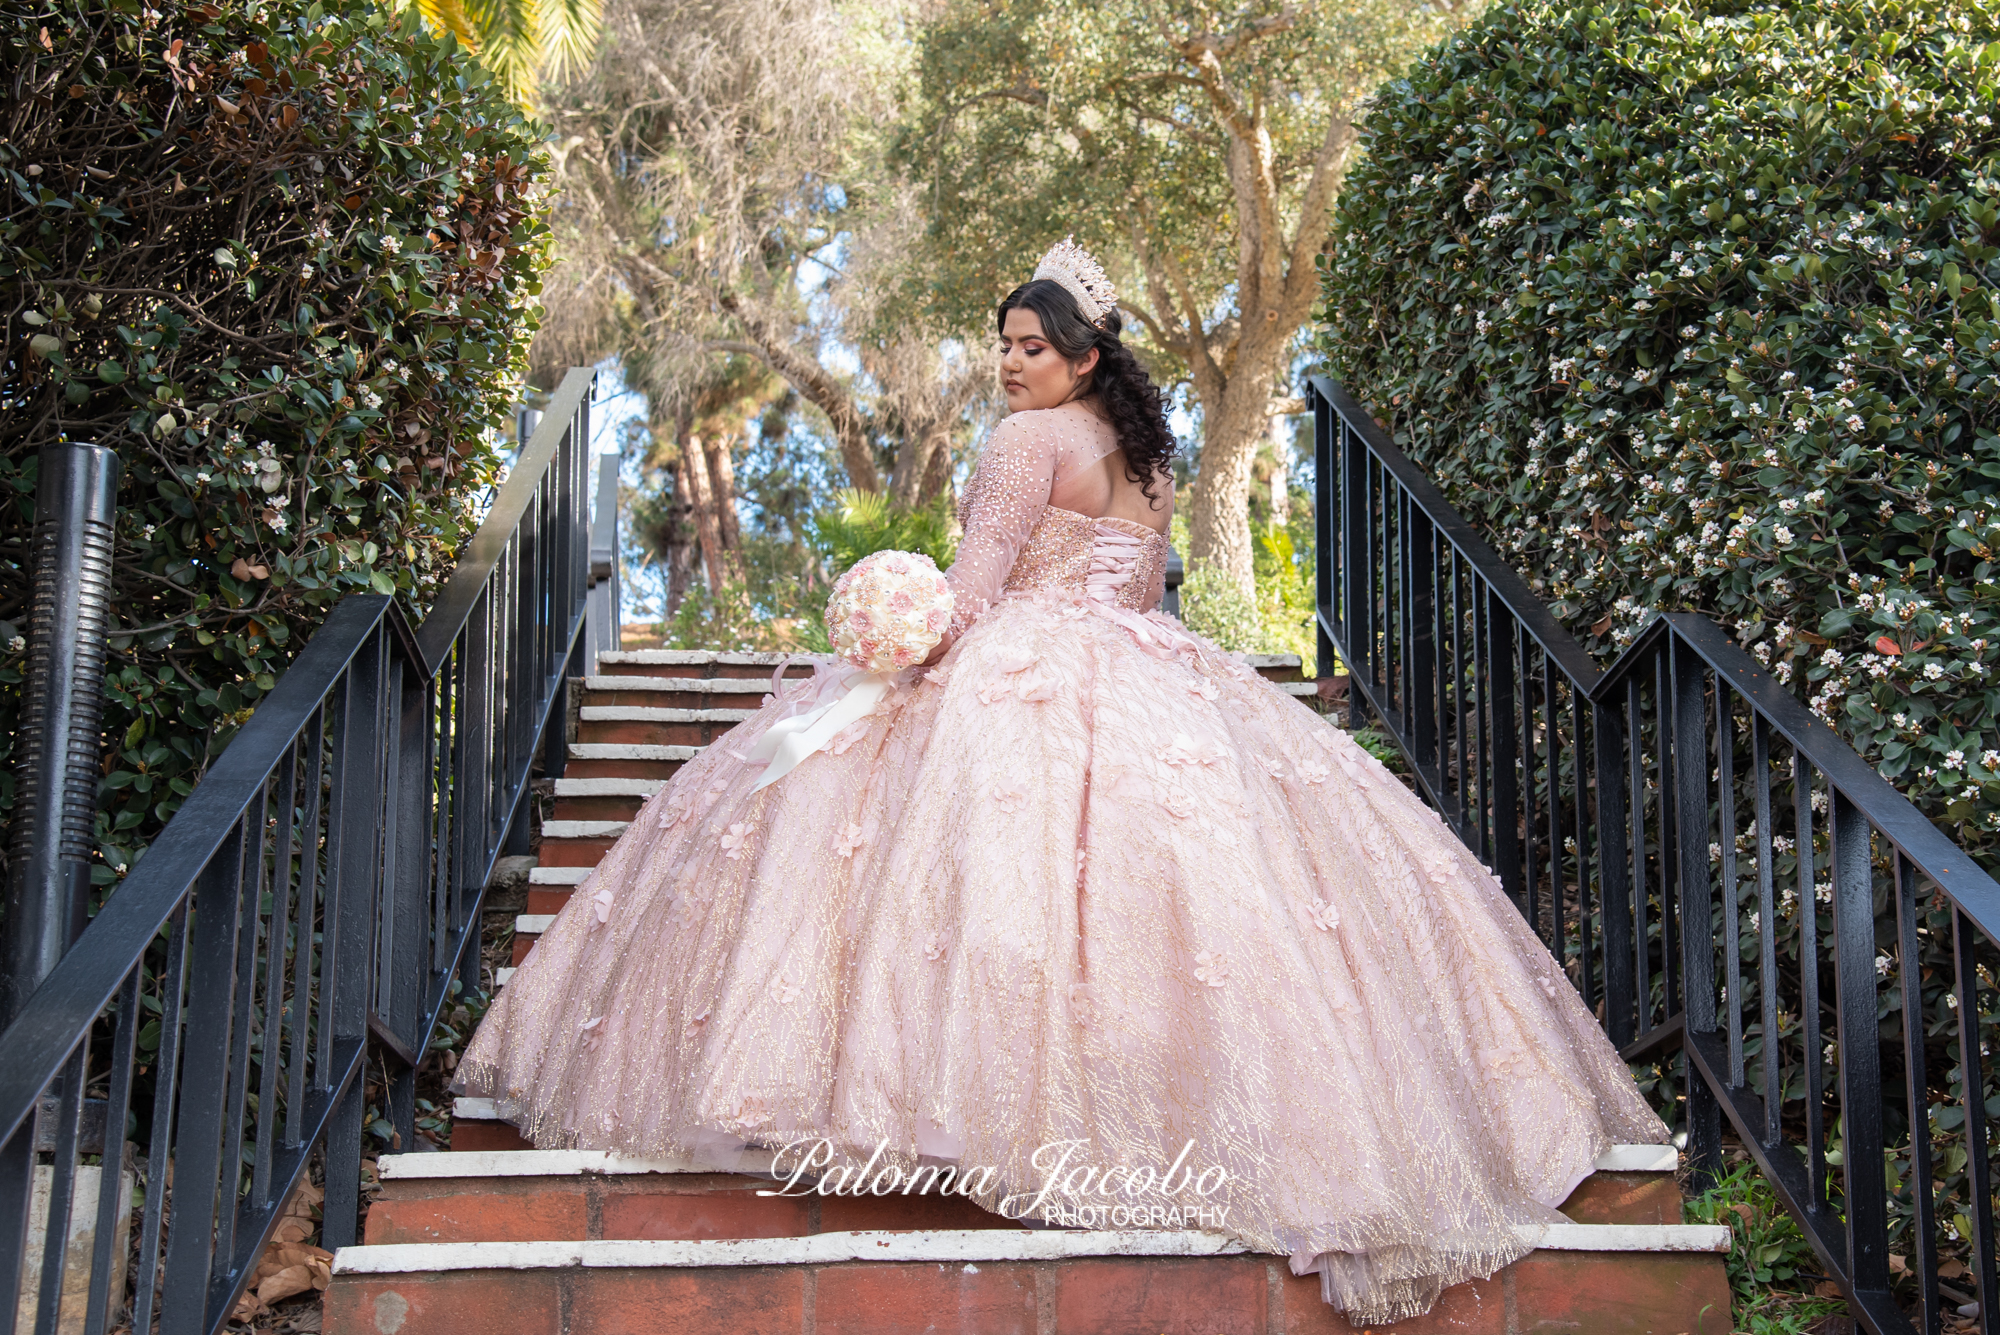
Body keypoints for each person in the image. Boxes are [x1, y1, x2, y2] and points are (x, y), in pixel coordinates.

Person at [456, 238, 1667, 1325]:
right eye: (1002, 347)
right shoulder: (1140, 462)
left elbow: (973, 592)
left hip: (1024, 664)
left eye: (1029, 348)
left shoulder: (1024, 442)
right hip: (1147, 671)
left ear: (1083, 360)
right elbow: (1138, 595)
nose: (1008, 365)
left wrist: (887, 650)